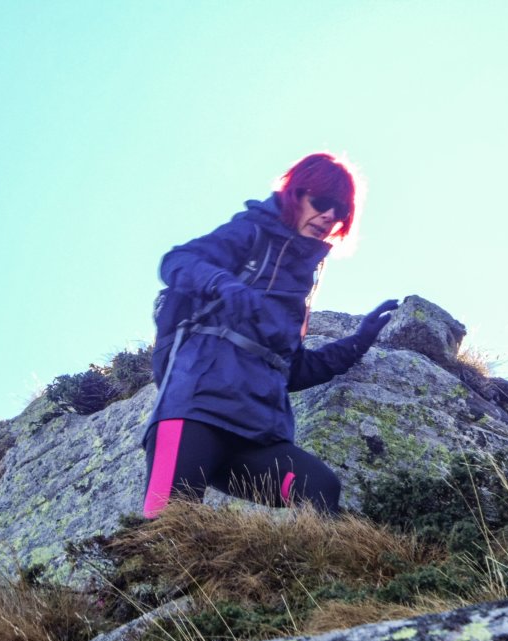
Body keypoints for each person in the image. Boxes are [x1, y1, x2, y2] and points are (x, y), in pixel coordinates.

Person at [142, 152, 398, 519]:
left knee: (319, 487)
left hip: (256, 434)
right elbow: (176, 261)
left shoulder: (302, 283)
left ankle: (322, 561)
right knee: (165, 526)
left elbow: (291, 369)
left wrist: (357, 343)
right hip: (193, 412)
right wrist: (223, 284)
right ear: (296, 194)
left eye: (340, 210)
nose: (330, 215)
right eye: (322, 202)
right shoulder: (252, 232)